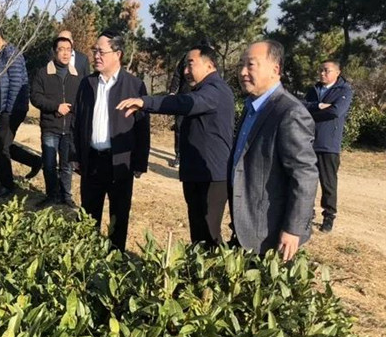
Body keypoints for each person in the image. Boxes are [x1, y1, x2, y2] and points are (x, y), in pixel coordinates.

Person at [117, 45, 234, 247]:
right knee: (199, 233)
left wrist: (145, 102)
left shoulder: (215, 90)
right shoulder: (202, 89)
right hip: (197, 173)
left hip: (212, 175)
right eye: (184, 67)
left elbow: (184, 103)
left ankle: (214, 266)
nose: (186, 71)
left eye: (190, 65)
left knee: (209, 233)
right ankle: (198, 265)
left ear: (209, 65)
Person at [229, 40, 318, 261]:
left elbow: (304, 174)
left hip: (271, 233)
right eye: (241, 65)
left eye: (250, 65)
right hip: (247, 224)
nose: (243, 72)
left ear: (275, 69)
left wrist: (293, 229)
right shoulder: (252, 107)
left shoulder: (289, 112)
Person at [71, 30, 150, 251]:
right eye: (94, 51)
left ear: (118, 54)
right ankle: (87, 256)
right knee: (88, 215)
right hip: (92, 161)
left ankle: (115, 260)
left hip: (120, 163)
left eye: (101, 51)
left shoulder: (134, 85)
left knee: (119, 216)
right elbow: (76, 122)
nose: (96, 55)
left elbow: (142, 128)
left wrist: (139, 162)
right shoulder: (87, 84)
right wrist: (75, 155)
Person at [0, 25, 42, 198]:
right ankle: (35, 161)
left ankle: (7, 186)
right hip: (5, 109)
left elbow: (16, 84)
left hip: (12, 109)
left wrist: (6, 112)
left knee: (0, 147)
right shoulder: (0, 55)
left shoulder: (10, 54)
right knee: (5, 144)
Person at [31, 37, 82, 209]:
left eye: (69, 49)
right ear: (54, 52)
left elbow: (82, 100)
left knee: (67, 166)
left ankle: (66, 196)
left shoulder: (77, 76)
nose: (65, 53)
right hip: (50, 127)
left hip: (70, 128)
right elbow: (35, 97)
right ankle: (51, 195)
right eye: (61, 49)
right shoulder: (43, 73)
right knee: (49, 164)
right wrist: (55, 107)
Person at [303, 60, 353, 233]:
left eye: (326, 70)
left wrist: (313, 113)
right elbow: (302, 106)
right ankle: (307, 213)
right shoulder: (314, 90)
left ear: (337, 73)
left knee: (328, 183)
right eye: (320, 70)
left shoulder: (344, 90)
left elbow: (336, 111)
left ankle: (329, 216)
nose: (322, 73)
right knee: (307, 181)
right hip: (309, 142)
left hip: (328, 145)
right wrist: (317, 105)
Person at [167, 54, 192, 168]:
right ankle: (179, 155)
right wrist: (172, 91)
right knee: (179, 127)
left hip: (200, 99)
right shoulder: (186, 57)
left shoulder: (208, 58)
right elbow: (177, 75)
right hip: (183, 97)